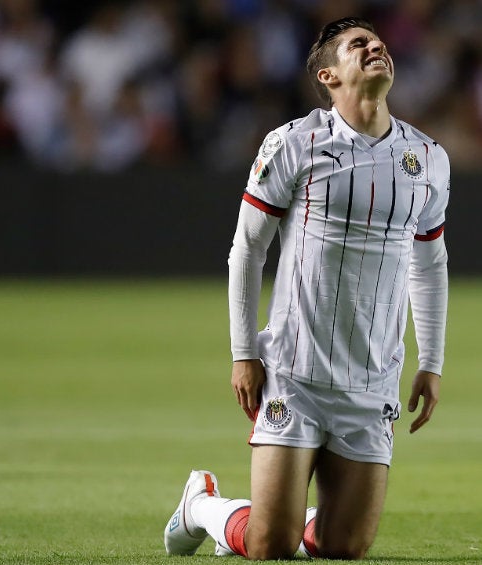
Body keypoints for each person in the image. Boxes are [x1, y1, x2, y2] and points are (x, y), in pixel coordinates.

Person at [162, 16, 450, 560]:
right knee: (272, 546)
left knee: (344, 548)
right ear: (328, 76)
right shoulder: (296, 142)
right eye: (357, 45)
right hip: (295, 372)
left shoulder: (429, 159)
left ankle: (296, 511)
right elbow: (248, 248)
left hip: (373, 379)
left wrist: (431, 361)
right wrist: (244, 352)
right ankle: (202, 505)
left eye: (378, 42)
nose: (375, 48)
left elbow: (429, 263)